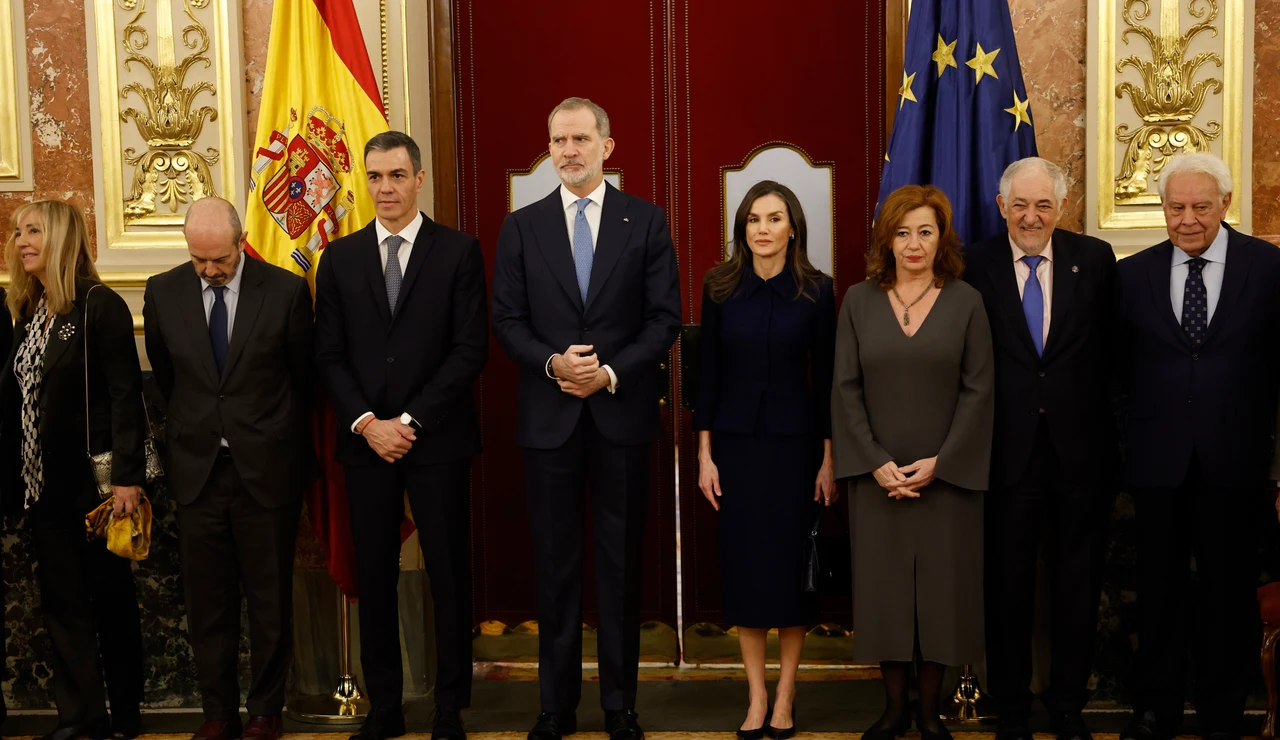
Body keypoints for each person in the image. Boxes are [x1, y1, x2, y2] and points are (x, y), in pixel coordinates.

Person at [491, 97, 680, 740]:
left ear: (607, 146)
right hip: (550, 424)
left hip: (621, 417)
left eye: (580, 138)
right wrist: (553, 364)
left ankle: (621, 705)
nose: (568, 150)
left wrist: (609, 373)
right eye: (558, 140)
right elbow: (507, 321)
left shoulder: (645, 221)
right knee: (555, 568)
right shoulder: (522, 227)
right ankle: (556, 706)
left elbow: (664, 319)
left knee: (621, 569)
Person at [315, 131, 488, 740]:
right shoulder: (339, 258)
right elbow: (327, 354)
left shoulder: (459, 252)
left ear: (419, 178)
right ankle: (384, 706)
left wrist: (409, 422)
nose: (385, 188)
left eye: (396, 175)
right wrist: (369, 423)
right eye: (375, 177)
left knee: (447, 574)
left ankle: (449, 707)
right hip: (366, 444)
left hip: (436, 441)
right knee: (375, 578)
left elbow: (469, 350)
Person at [1116, 152, 1280, 740]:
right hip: (1156, 464)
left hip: (1237, 462)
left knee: (1228, 595)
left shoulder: (1268, 268)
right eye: (1176, 207)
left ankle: (1221, 715)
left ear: (1226, 204)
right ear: (1162, 208)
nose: (1188, 219)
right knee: (1156, 594)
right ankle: (1155, 710)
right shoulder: (1131, 275)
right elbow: (1116, 373)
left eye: (1201, 207)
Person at [142, 197, 315, 740]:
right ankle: (217, 713)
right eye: (199, 259)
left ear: (241, 243)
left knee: (269, 601)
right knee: (207, 603)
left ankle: (265, 710)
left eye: (220, 259)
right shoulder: (163, 291)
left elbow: (302, 378)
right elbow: (168, 377)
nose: (210, 270)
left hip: (266, 470)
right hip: (198, 472)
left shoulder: (285, 291)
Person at [962, 158, 1119, 740]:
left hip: (1081, 453)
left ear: (1061, 208)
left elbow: (1113, 351)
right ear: (1001, 206)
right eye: (1021, 205)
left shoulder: (1094, 259)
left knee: (1077, 584)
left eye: (1044, 205)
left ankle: (1067, 704)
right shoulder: (972, 264)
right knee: (1007, 586)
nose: (1032, 217)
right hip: (1003, 453)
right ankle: (1011, 707)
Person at [832, 184, 994, 740]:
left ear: (942, 238)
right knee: (886, 598)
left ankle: (929, 713)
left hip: (946, 480)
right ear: (887, 239)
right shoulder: (858, 301)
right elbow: (844, 389)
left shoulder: (967, 302)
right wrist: (875, 462)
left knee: (943, 599)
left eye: (925, 231)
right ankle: (893, 711)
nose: (914, 243)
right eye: (902, 233)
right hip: (877, 480)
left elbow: (979, 391)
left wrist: (942, 463)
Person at [694, 180, 835, 739]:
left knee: (790, 576)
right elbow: (707, 376)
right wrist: (704, 454)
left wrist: (828, 459)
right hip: (735, 449)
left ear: (793, 227)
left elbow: (827, 379)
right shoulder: (719, 288)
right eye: (753, 219)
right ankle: (756, 696)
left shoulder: (818, 291)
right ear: (742, 229)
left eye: (774, 218)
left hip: (797, 450)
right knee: (747, 574)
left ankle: (786, 693)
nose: (763, 229)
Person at [0, 200, 146, 740]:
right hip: (43, 488)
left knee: (110, 602)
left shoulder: (99, 305)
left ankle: (125, 715)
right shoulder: (29, 309)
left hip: (97, 489)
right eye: (18, 232)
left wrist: (127, 477)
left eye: (33, 231)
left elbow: (125, 395)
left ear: (61, 238)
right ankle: (80, 717)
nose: (21, 242)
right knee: (62, 604)